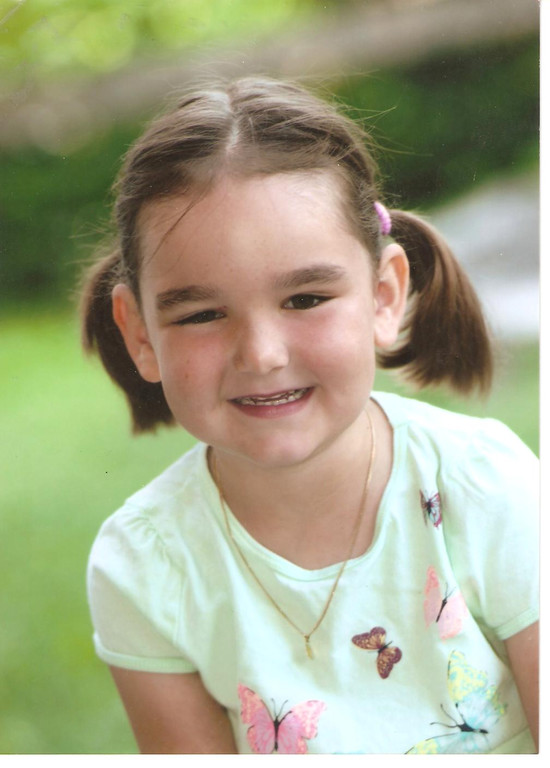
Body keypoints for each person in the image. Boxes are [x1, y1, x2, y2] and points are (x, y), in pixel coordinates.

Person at [82, 76, 538, 754]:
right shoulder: (144, 565)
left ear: (384, 296)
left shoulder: (486, 486)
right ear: (140, 333)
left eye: (305, 299)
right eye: (203, 314)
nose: (262, 354)